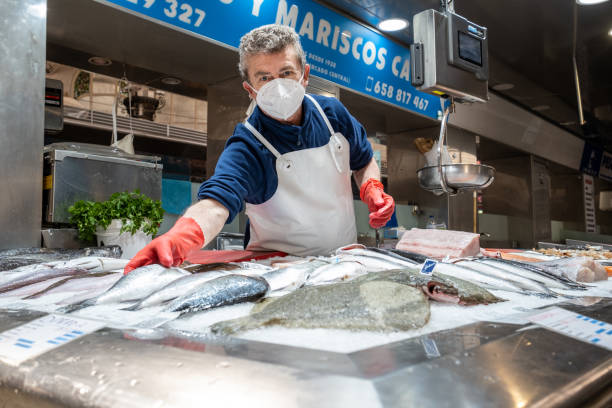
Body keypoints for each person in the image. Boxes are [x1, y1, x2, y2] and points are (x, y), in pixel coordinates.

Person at [124, 24, 395, 274]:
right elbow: (216, 204)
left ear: (305, 75)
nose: (278, 85)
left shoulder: (333, 115)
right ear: (250, 89)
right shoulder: (248, 146)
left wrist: (371, 186)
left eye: (286, 73)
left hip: (342, 264)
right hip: (279, 272)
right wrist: (179, 237)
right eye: (264, 78)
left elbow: (363, 160)